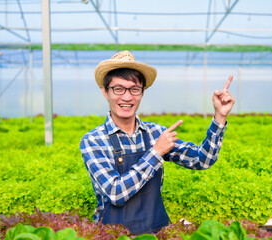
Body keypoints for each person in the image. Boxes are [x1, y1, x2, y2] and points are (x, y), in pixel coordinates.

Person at [80, 50, 235, 235]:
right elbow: (115, 193)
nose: (127, 97)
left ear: (142, 92)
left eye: (134, 89)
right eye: (118, 89)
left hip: (157, 232)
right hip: (113, 236)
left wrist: (219, 117)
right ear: (105, 92)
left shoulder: (156, 133)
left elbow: (202, 160)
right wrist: (155, 153)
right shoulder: (93, 140)